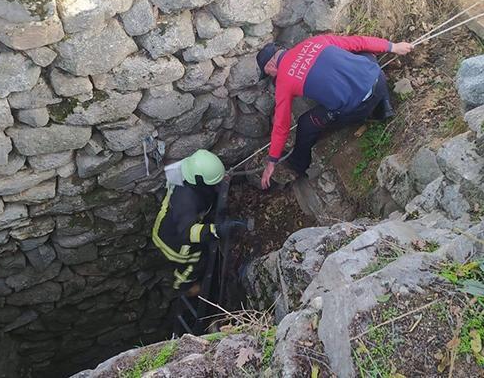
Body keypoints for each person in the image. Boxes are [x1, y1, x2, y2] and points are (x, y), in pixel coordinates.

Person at [257, 35, 414, 189]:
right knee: (364, 54)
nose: (271, 77)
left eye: (269, 73)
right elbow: (359, 42)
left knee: (306, 123)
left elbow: (281, 124)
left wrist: (272, 161)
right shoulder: (314, 41)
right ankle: (384, 106)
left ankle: (297, 165)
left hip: (358, 107)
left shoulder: (284, 80)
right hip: (378, 80)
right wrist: (393, 47)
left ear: (270, 66)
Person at [152, 149, 246, 296]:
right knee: (198, 260)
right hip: (173, 242)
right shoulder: (186, 202)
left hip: (166, 225)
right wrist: (217, 230)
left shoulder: (186, 171)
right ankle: (183, 286)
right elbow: (187, 232)